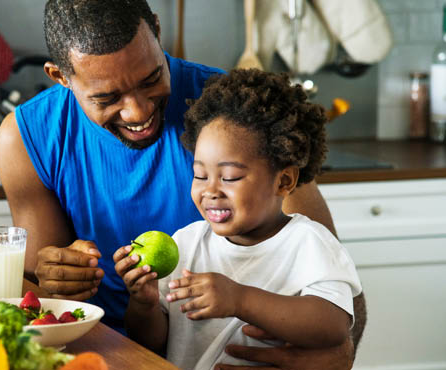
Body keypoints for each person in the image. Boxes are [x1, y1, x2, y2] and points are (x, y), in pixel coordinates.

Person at [0, 0, 367, 368]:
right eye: (107, 98)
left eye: (151, 79)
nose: (138, 112)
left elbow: (338, 297)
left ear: (157, 31)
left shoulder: (237, 117)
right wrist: (60, 277)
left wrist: (336, 356)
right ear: (60, 76)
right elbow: (38, 300)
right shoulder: (27, 137)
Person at [113, 69, 363, 369]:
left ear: (283, 181)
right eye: (200, 175)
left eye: (230, 177)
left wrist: (239, 299)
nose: (210, 190)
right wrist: (144, 304)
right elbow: (153, 343)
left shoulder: (308, 242)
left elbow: (332, 326)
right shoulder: (187, 243)